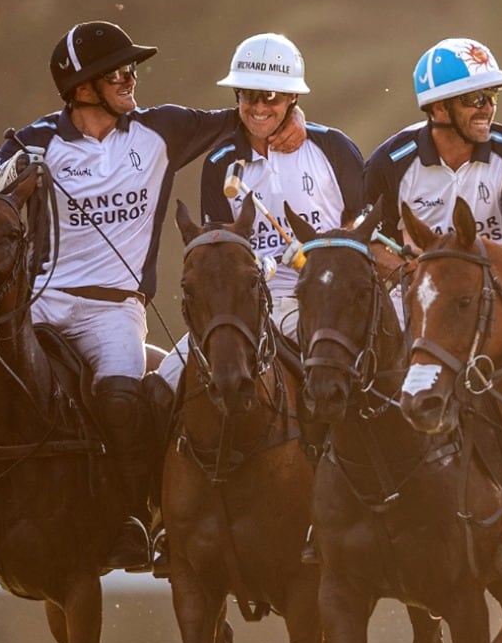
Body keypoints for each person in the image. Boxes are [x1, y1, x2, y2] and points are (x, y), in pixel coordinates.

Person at [0, 20, 306, 572]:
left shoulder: (162, 130)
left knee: (125, 404)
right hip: (42, 302)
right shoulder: (33, 141)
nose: (132, 80)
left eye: (132, 70)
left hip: (114, 308)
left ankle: (135, 519)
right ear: (83, 87)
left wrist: (291, 114)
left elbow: (246, 118)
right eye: (119, 73)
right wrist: (0, 180)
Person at [154, 32, 365, 389]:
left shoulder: (334, 147)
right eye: (248, 95)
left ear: (292, 97)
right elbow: (219, 254)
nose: (259, 107)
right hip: (251, 308)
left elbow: (360, 227)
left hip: (324, 304)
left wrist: (324, 259)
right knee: (164, 383)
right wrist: (263, 266)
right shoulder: (220, 162)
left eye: (271, 96)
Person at [365, 38, 502, 277]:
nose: (488, 108)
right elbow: (370, 242)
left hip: (495, 289)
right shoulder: (389, 161)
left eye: (492, 96)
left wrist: (457, 277)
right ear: (439, 108)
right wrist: (410, 270)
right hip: (416, 292)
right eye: (476, 99)